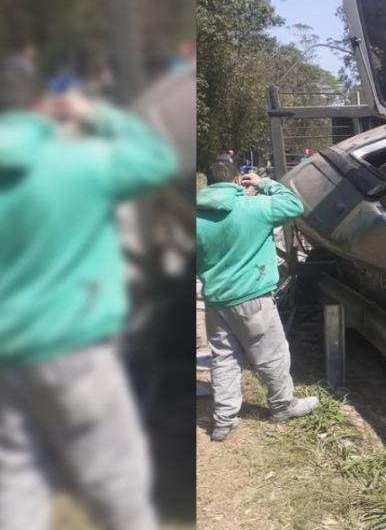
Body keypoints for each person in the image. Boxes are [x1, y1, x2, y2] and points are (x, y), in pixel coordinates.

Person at [0, 80, 178, 529]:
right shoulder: (79, 163)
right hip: (73, 346)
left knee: (15, 479)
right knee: (114, 478)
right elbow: (157, 160)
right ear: (42, 106)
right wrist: (96, 114)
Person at [196, 161, 317, 442]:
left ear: (207, 183)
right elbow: (294, 205)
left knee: (223, 360)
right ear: (237, 180)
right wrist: (264, 183)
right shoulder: (256, 207)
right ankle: (282, 406)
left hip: (216, 301)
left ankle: (224, 420)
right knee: (271, 355)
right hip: (253, 298)